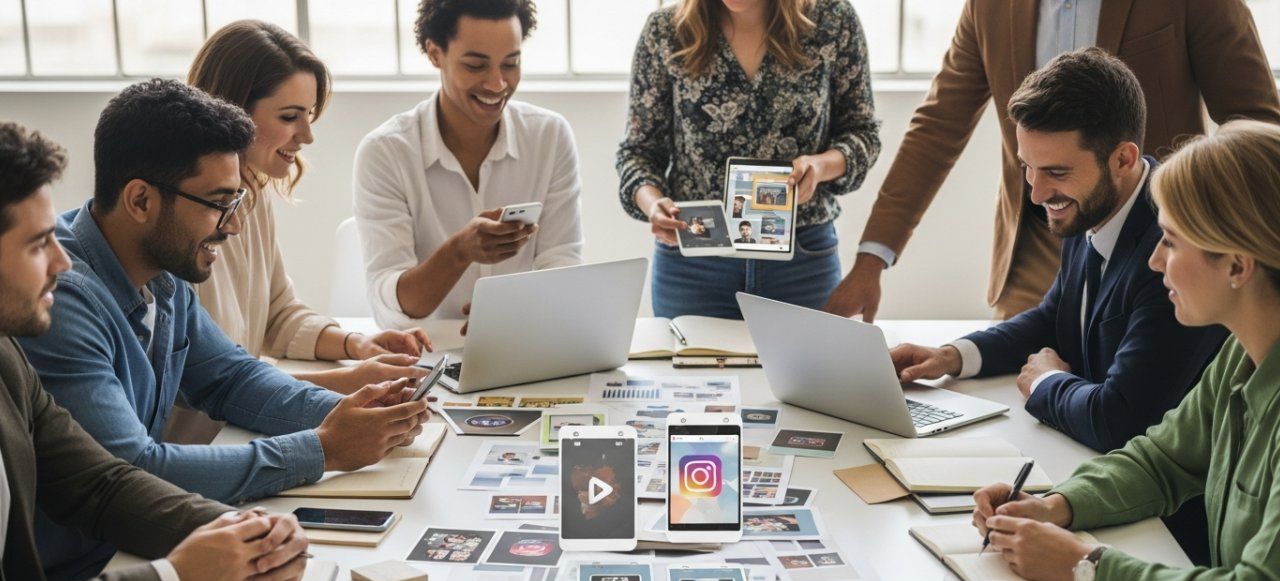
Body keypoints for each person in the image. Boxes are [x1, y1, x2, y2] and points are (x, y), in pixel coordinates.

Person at [18, 79, 429, 581]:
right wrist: (323, 448)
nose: (232, 227)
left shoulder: (162, 266)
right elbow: (135, 468)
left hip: (142, 547)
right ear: (141, 201)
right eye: (218, 204)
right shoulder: (62, 298)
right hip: (80, 576)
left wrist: (359, 417)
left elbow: (230, 378)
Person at [0, 121, 310, 581]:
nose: (61, 262)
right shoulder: (65, 305)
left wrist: (243, 534)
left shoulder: (5, 356)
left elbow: (101, 484)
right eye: (35, 244)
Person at [972, 120, 1280, 581]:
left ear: (1237, 265)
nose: (1156, 262)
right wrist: (1053, 505)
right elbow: (1161, 461)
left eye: (1171, 241)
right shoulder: (1242, 354)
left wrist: (1087, 567)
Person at [823, 0, 1280, 322]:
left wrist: (1213, 235)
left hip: (1156, 250)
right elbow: (938, 126)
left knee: (1131, 423)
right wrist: (871, 259)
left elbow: (1255, 122)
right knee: (1017, 415)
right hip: (1036, 252)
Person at [889, 49, 1226, 454]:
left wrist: (1045, 383)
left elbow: (1119, 420)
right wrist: (951, 356)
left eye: (1056, 172)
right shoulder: (1091, 205)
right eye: (1028, 167)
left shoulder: (1173, 252)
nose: (1038, 193)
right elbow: (1056, 316)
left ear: (1122, 159)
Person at [181, 21, 432, 405]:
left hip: (237, 424)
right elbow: (210, 382)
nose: (307, 135)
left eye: (309, 114)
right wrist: (348, 383)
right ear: (232, 111)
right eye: (288, 117)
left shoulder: (252, 192)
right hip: (202, 441)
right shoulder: (183, 219)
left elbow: (277, 315)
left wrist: (357, 345)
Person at [617, 0, 880, 319]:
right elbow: (638, 153)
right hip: (693, 263)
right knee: (694, 371)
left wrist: (820, 166)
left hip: (802, 261)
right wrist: (653, 205)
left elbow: (862, 133)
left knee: (807, 369)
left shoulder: (832, 21)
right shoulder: (666, 31)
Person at [355, 0, 583, 329]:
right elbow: (392, 304)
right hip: (425, 357)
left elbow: (562, 262)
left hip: (522, 341)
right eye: (475, 66)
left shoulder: (550, 136)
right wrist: (459, 251)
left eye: (511, 63)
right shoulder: (385, 153)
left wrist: (516, 310)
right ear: (435, 54)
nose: (497, 84)